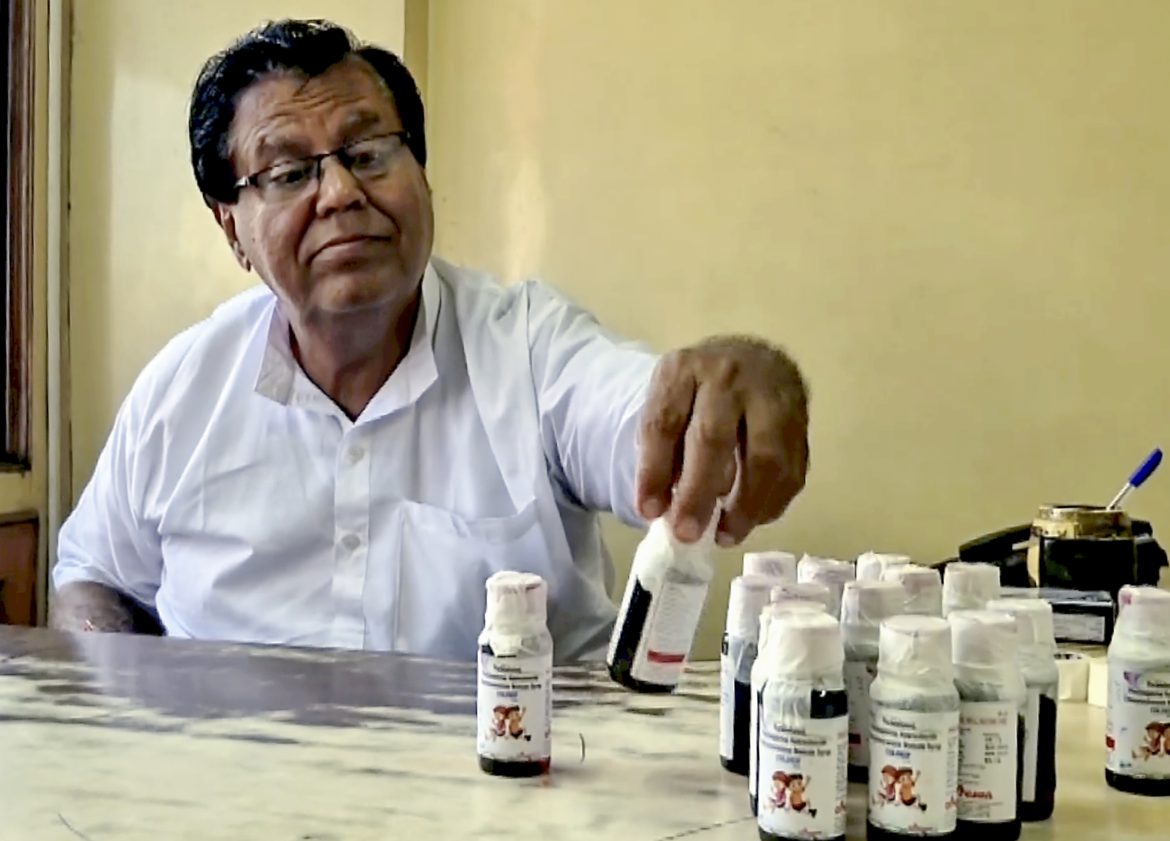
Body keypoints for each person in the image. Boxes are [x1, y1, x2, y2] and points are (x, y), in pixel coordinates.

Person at [49, 19, 809, 663]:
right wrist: (133, 703)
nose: (341, 193)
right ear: (232, 229)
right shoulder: (183, 388)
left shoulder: (530, 350)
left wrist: (739, 386)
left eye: (370, 152)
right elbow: (91, 574)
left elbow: (649, 421)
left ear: (423, 174)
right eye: (288, 172)